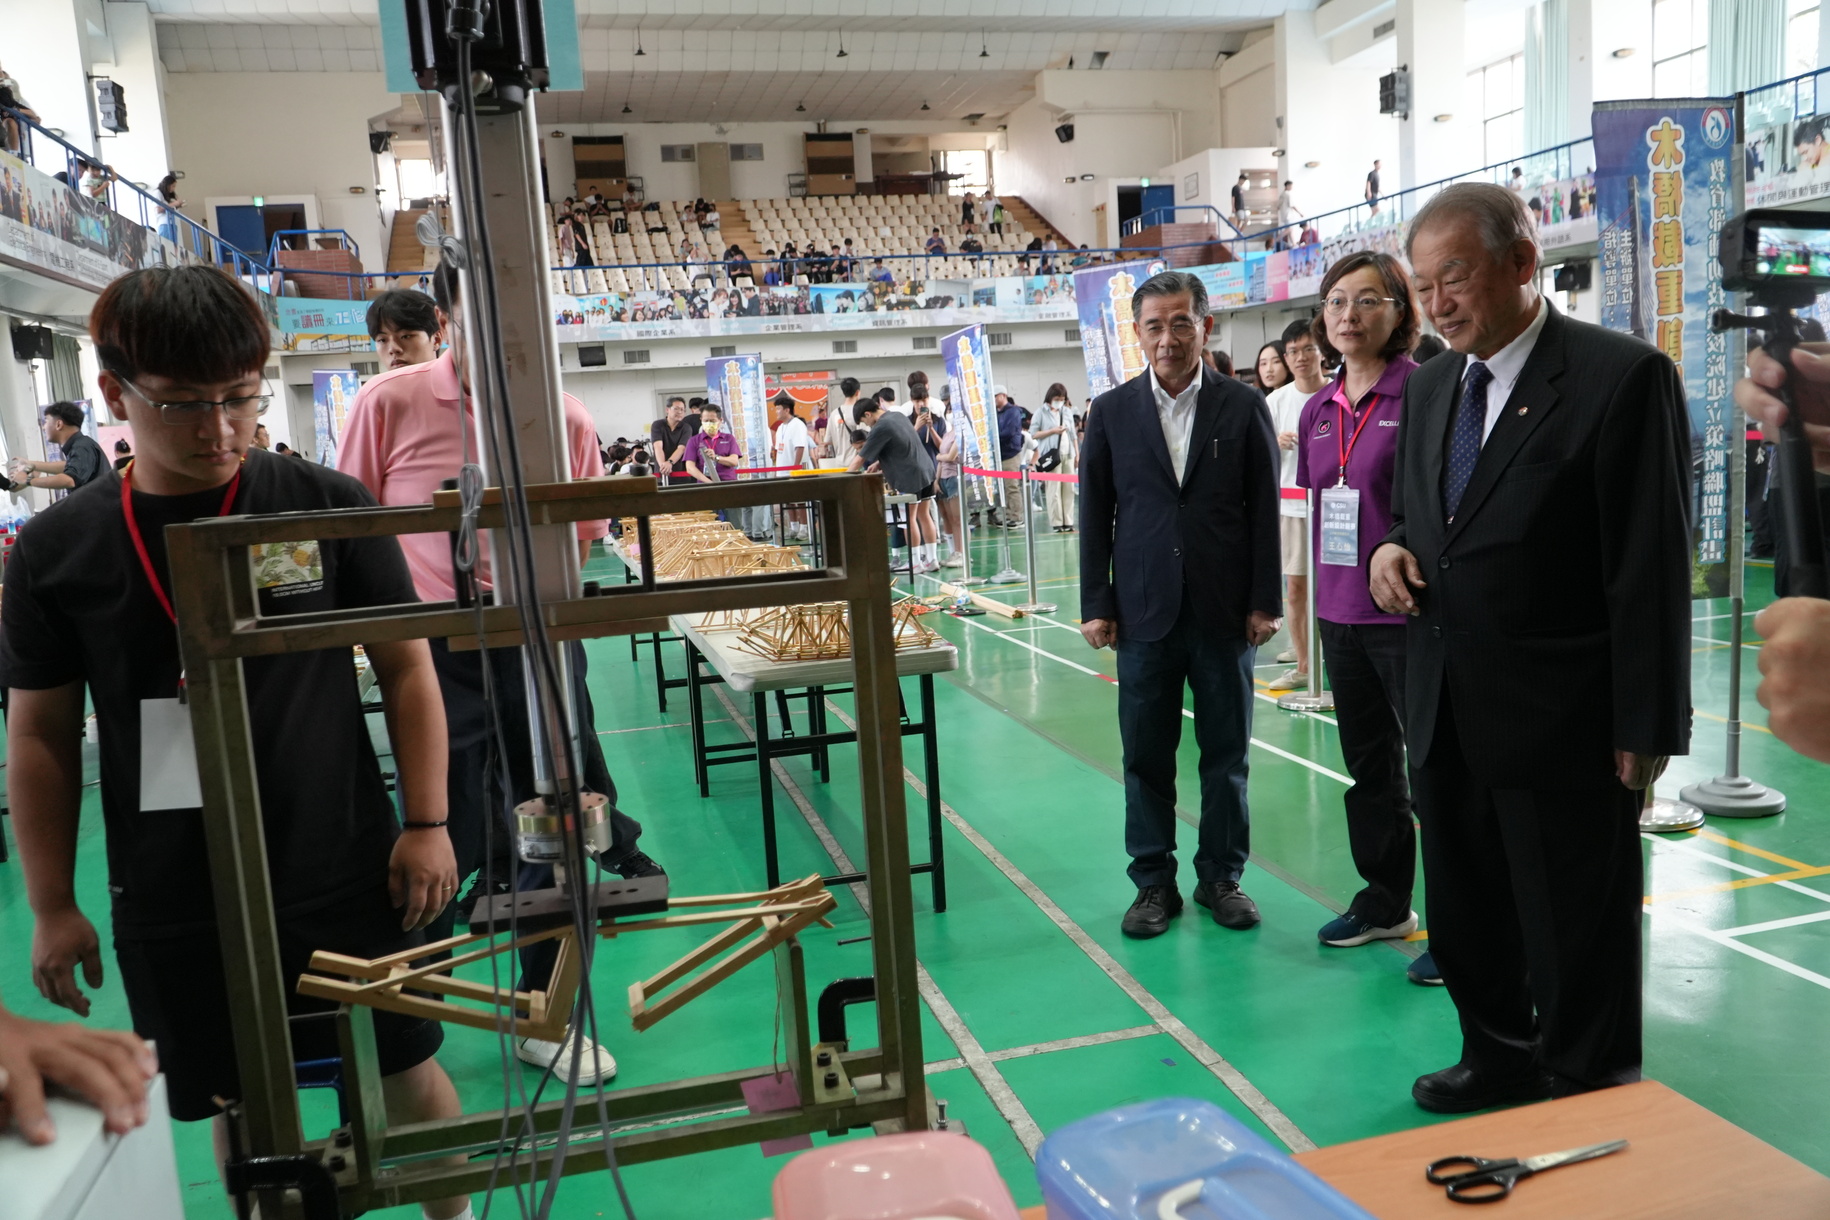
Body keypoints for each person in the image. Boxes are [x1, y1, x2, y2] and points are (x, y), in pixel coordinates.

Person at [5, 264, 473, 1219]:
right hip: (179, 884)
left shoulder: (326, 505)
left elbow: (407, 668)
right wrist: (52, 902)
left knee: (404, 1069)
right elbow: (44, 737)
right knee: (242, 1102)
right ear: (114, 394)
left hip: (345, 860)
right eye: (182, 405)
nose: (220, 430)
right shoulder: (61, 554)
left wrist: (427, 820)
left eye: (240, 399)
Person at [1371, 182, 1691, 1112]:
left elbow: (1649, 568)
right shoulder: (1431, 384)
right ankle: (1498, 1054)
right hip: (1444, 704)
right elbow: (1420, 522)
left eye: (1455, 278)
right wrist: (1394, 549)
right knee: (1466, 905)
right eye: (1425, 286)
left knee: (1576, 921)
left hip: (1566, 717)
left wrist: (1648, 724)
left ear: (1523, 261)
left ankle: (1591, 1079)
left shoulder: (1619, 377)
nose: (1437, 304)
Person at [340, 259, 653, 1086]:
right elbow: (353, 526)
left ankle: (546, 1015)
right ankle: (410, 1031)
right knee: (434, 829)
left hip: (542, 647)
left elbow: (583, 534)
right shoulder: (389, 403)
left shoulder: (568, 416)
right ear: (446, 320)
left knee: (554, 825)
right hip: (429, 657)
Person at [1078, 269, 1281, 939]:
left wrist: (1264, 600)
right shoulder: (1109, 412)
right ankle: (1153, 884)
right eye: (1154, 326)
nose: (1168, 338)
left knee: (1226, 754)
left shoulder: (1242, 406)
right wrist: (1096, 602)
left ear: (1205, 326)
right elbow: (1095, 514)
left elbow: (1263, 513)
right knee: (1145, 755)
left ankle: (1222, 876)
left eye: (1181, 323)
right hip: (1142, 613)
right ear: (1137, 334)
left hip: (1224, 612)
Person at [1294, 251, 1434, 980]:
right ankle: (1387, 902)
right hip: (1341, 614)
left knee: (1439, 771)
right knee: (1369, 770)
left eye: (1368, 300)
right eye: (1337, 301)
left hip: (1411, 617)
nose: (1349, 315)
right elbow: (1322, 508)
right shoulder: (1316, 410)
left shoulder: (1428, 394)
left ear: (1401, 312)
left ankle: (1464, 921)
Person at [1265, 323, 1325, 693]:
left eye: (1308, 349)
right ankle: (1304, 665)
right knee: (1297, 589)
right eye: (1293, 352)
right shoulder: (1276, 402)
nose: (1301, 358)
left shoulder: (1339, 391)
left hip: (1335, 509)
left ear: (1322, 351)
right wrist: (1276, 441)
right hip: (1291, 509)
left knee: (1338, 591)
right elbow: (1257, 451)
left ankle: (1338, 659)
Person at [849, 390, 938, 572]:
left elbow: (859, 460)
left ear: (867, 414)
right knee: (924, 516)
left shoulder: (881, 426)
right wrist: (879, 463)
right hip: (926, 470)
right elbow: (900, 446)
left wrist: (843, 479)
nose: (866, 425)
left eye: (864, 421)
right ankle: (932, 559)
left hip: (910, 476)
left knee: (908, 519)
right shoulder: (897, 416)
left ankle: (915, 562)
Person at [12, 401, 106, 492]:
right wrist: (30, 464)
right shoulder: (81, 445)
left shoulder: (82, 447)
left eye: (46, 421)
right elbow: (67, 466)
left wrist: (27, 481)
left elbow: (69, 479)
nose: (44, 427)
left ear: (58, 424)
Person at [1033, 382, 1078, 533]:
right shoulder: (1040, 412)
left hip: (1068, 453)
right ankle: (1057, 522)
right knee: (1054, 490)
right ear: (1050, 397)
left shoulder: (1067, 411)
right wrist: (1052, 431)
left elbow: (1073, 434)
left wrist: (1077, 453)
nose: (1060, 401)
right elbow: (1034, 433)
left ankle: (1068, 521)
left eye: (1062, 398)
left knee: (1069, 489)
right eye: (1057, 398)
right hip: (1051, 455)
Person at [367, 289, 444, 371]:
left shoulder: (457, 382)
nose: (393, 349)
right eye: (382, 340)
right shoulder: (375, 384)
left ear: (436, 339)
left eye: (405, 336)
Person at [773, 393, 813, 540]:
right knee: (788, 500)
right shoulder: (780, 428)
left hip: (795, 471)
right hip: (782, 471)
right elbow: (778, 450)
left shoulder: (798, 425)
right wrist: (778, 471)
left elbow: (800, 447)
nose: (776, 412)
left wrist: (795, 469)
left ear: (786, 410)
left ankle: (804, 529)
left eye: (778, 409)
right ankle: (794, 526)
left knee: (800, 500)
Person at [992, 385, 1026, 529]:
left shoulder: (1013, 411)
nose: (993, 400)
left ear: (1003, 396)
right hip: (1000, 454)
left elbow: (1009, 432)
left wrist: (993, 438)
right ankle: (1008, 515)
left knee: (1012, 486)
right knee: (1003, 488)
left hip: (1011, 453)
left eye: (995, 396)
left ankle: (1017, 517)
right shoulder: (996, 413)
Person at [684, 401, 740, 484]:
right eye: (706, 421)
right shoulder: (693, 440)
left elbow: (734, 461)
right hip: (705, 485)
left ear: (720, 420)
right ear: (701, 420)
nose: (709, 423)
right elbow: (690, 468)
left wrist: (716, 458)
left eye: (712, 421)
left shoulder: (729, 438)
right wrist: (710, 483)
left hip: (728, 483)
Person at [650, 396, 696, 486]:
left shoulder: (686, 428)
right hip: (661, 473)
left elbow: (681, 448)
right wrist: (663, 466)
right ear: (667, 410)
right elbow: (658, 447)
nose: (679, 412)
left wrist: (669, 462)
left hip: (681, 475)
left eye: (682, 410)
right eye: (676, 409)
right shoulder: (657, 425)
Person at [1276, 180, 1301, 248]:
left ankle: (1293, 244)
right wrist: (1300, 213)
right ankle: (1276, 239)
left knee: (1290, 230)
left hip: (1284, 215)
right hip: (1288, 215)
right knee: (1289, 229)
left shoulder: (1282, 194)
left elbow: (1278, 206)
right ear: (1287, 186)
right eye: (1291, 186)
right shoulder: (1288, 194)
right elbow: (1292, 205)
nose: (1291, 187)